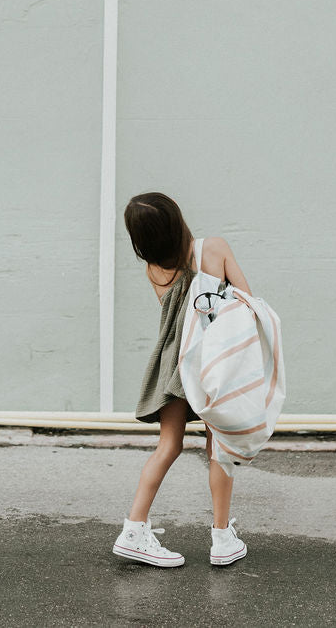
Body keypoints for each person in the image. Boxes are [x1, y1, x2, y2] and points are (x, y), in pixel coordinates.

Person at [113, 192, 251, 568]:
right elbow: (247, 302)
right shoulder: (215, 249)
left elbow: (178, 321)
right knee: (217, 449)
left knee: (168, 446)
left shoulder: (155, 270)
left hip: (176, 365)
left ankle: (133, 530)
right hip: (213, 365)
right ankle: (222, 539)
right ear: (177, 220)